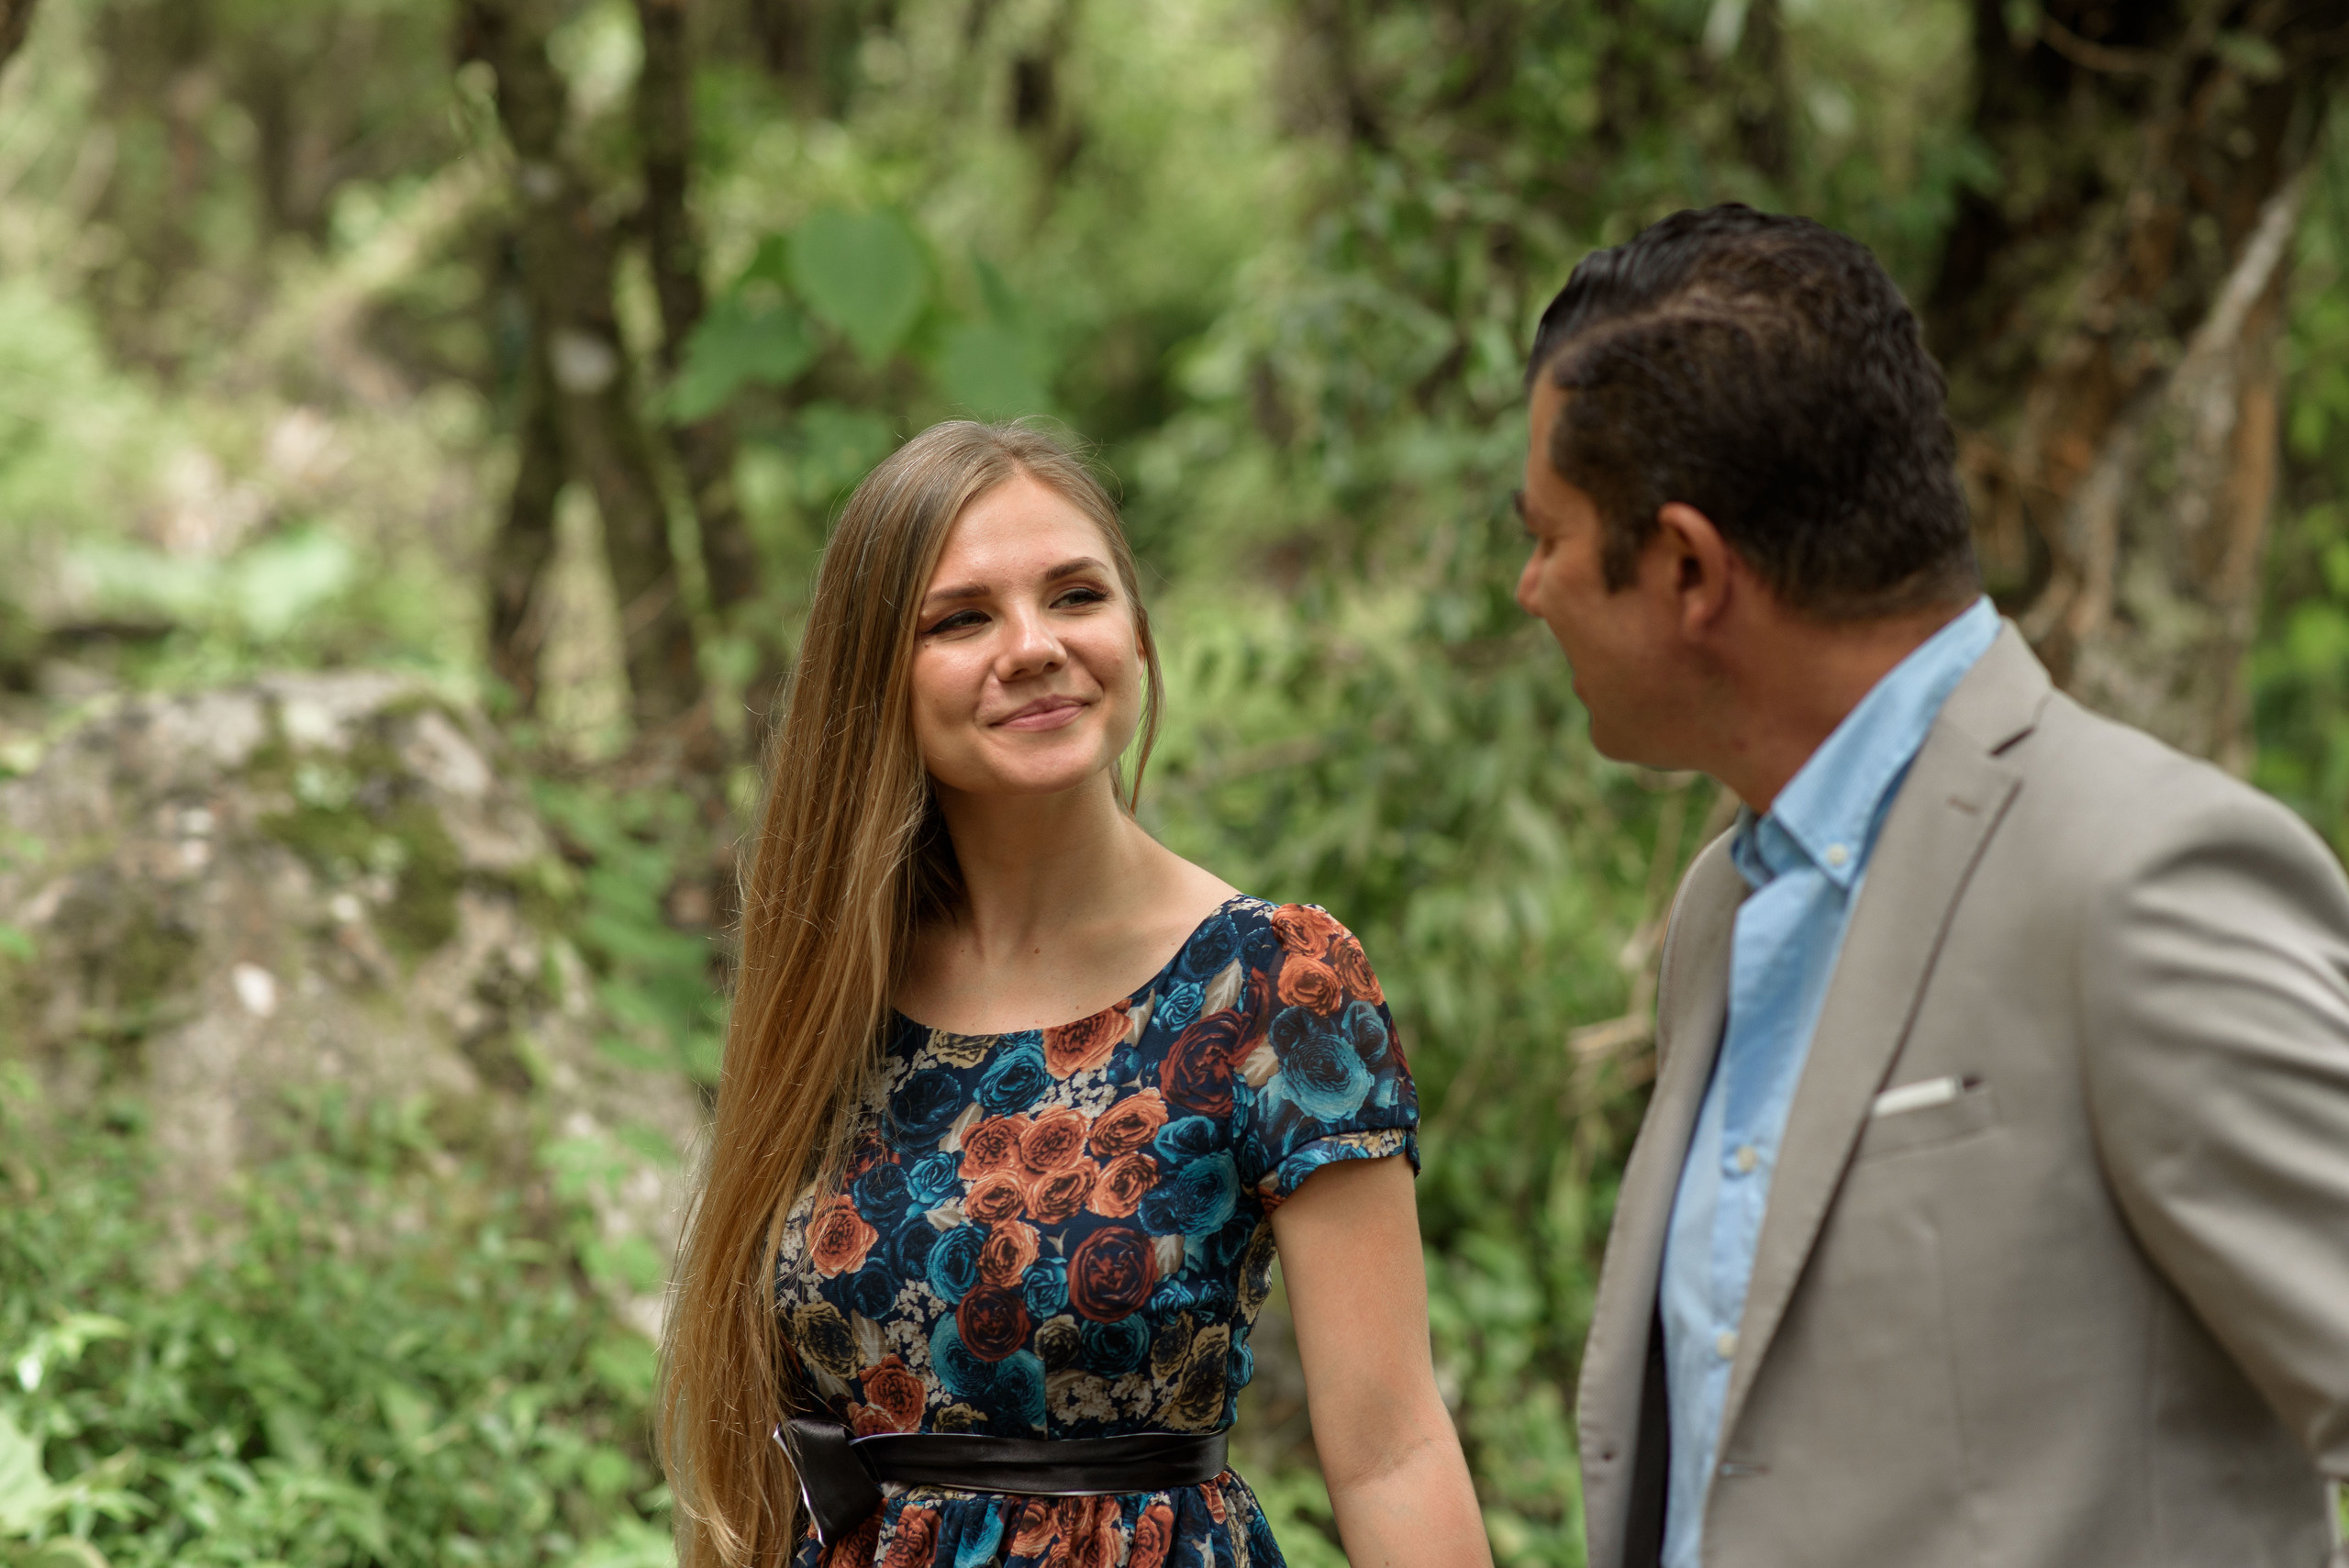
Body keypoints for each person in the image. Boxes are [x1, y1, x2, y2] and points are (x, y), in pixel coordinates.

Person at [1513, 205, 2349, 1568]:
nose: (1528, 588)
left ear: (1686, 569)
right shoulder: (1724, 913)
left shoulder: (2136, 877)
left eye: (1546, 535)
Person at [660, 421, 1491, 1568]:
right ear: (874, 679)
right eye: (960, 618)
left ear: (1138, 632)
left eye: (1074, 595)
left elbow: (1390, 1447)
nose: (1033, 646)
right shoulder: (835, 985)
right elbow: (758, 1431)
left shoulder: (1276, 980)